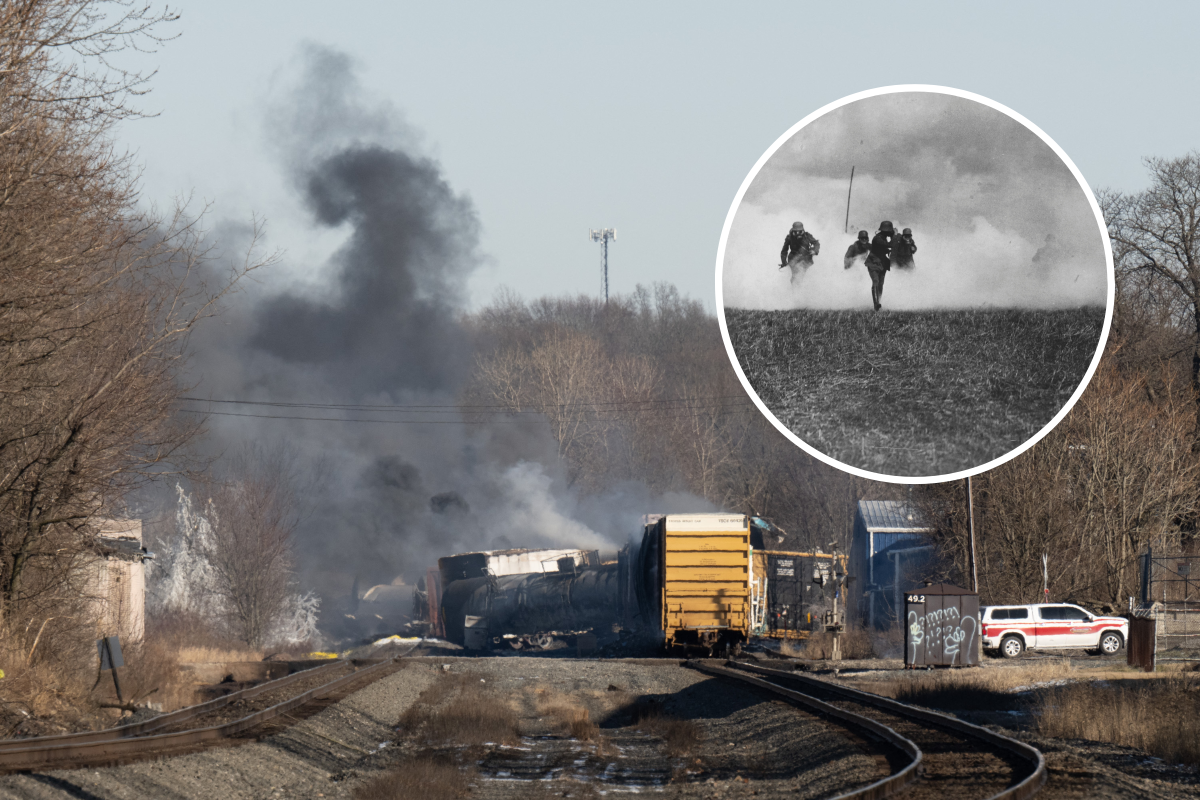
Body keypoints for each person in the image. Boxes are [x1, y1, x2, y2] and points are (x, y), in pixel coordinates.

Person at [865, 220, 894, 310]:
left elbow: (882, 249)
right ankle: (876, 304)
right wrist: (895, 236)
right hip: (873, 263)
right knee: (876, 281)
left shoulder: (883, 237)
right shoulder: (877, 238)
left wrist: (887, 251)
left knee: (880, 284)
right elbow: (890, 245)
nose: (890, 232)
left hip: (882, 263)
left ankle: (878, 302)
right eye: (890, 231)